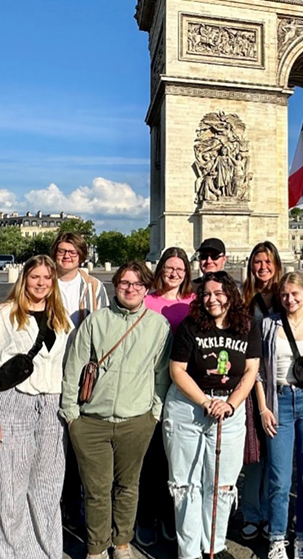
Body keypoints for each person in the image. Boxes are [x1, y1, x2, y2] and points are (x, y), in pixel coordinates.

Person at [60, 261, 172, 559]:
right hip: (91, 421)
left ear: (146, 288)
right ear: (115, 286)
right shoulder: (96, 321)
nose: (131, 289)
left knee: (128, 486)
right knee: (96, 490)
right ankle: (96, 547)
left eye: (137, 284)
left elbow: (161, 373)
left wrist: (154, 413)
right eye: (125, 283)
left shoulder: (158, 326)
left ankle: (122, 542)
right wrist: (71, 414)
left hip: (137, 420)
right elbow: (75, 366)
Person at [0, 255, 73, 559]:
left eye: (46, 278)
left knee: (47, 489)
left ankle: (47, 553)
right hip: (11, 403)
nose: (40, 283)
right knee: (6, 490)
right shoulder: (2, 314)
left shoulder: (61, 318)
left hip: (51, 406)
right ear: (24, 279)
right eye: (34, 277)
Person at [163, 271, 261, 559]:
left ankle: (214, 545)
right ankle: (189, 551)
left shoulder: (247, 326)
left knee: (222, 483)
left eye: (218, 293)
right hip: (188, 407)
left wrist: (230, 403)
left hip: (230, 408)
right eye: (206, 294)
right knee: (186, 483)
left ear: (231, 294)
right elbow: (177, 370)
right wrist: (206, 401)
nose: (212, 299)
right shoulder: (191, 326)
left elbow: (251, 371)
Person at [255, 273, 303, 559]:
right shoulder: (268, 325)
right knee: (279, 477)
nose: (290, 299)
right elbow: (258, 371)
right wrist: (263, 408)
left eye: (295, 294)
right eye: (285, 294)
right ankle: (277, 536)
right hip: (279, 404)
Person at [136, 248, 196, 546]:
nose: (174, 273)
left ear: (187, 273)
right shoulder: (145, 300)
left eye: (180, 269)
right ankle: (146, 517)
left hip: (183, 389)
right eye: (169, 267)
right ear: (160, 269)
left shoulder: (195, 302)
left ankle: (171, 516)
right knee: (150, 457)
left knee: (178, 459)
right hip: (147, 387)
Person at [52, 231, 109, 532]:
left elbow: (103, 328)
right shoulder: (42, 280)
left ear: (81, 255)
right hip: (47, 372)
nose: (66, 256)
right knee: (52, 444)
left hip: (82, 373)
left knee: (78, 445)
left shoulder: (94, 286)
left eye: (72, 252)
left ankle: (74, 509)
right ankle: (55, 506)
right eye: (62, 250)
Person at [238, 241, 285, 539]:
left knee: (276, 454)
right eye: (257, 262)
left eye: (268, 262)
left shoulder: (286, 293)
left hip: (280, 383)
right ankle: (251, 512)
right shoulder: (243, 296)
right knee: (254, 452)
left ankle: (271, 512)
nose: (262, 267)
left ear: (277, 264)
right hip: (252, 382)